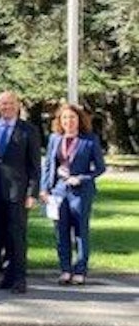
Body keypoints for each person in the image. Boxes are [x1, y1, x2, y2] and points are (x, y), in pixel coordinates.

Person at [0, 91, 41, 294]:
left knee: (17, 236)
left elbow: (34, 165)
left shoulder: (28, 130)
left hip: (18, 192)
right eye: (3, 104)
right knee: (0, 236)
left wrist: (32, 193)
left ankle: (19, 278)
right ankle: (6, 277)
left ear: (17, 105)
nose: (6, 107)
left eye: (10, 103)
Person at [40, 103, 106, 286]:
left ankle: (80, 270)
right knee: (60, 232)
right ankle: (65, 269)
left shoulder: (90, 140)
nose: (69, 121)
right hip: (59, 192)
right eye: (65, 118)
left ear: (79, 120)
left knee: (80, 232)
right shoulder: (55, 138)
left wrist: (82, 178)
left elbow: (100, 168)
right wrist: (44, 189)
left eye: (72, 118)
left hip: (80, 192)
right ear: (60, 121)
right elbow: (48, 166)